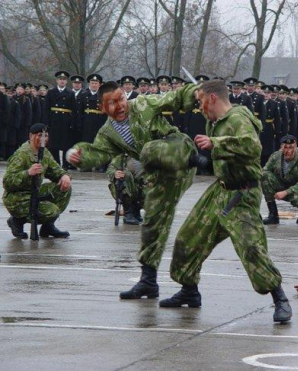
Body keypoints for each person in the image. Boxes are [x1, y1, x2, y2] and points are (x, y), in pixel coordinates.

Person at [161, 80, 292, 323]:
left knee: (251, 247)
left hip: (242, 193)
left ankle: (280, 298)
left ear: (212, 98)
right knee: (187, 238)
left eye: (200, 101)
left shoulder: (238, 117)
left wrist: (216, 144)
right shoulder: (214, 123)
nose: (198, 106)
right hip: (220, 190)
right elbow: (223, 159)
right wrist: (200, 161)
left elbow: (252, 147)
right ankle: (189, 290)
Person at [68, 81, 200, 299]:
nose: (120, 105)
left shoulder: (143, 104)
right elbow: (98, 153)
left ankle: (196, 159)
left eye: (121, 98)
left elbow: (173, 98)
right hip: (160, 174)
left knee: (148, 150)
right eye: (112, 103)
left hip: (180, 153)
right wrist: (79, 155)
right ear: (102, 108)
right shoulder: (108, 133)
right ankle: (150, 281)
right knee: (152, 223)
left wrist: (195, 91)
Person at [3, 123, 71, 239]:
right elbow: (7, 182)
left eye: (46, 136)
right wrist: (27, 173)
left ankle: (48, 227)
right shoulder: (21, 155)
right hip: (17, 197)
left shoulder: (44, 152)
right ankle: (17, 220)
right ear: (31, 136)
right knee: (52, 211)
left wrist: (64, 176)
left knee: (64, 187)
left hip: (34, 192)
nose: (43, 139)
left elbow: (55, 170)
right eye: (39, 136)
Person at [262, 134, 298, 225]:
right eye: (285, 147)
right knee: (265, 176)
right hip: (282, 184)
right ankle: (273, 215)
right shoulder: (276, 156)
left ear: (296, 146)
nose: (288, 151)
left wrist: (286, 192)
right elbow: (265, 170)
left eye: (291, 147)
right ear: (281, 147)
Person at [43, 71, 76, 169]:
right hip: (54, 120)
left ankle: (65, 164)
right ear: (57, 80)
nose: (62, 81)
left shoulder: (70, 93)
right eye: (60, 79)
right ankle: (56, 163)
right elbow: (46, 109)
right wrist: (46, 122)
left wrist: (72, 123)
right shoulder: (51, 92)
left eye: (64, 80)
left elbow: (74, 110)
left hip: (65, 120)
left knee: (66, 144)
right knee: (53, 144)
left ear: (66, 82)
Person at [106, 154, 145, 225]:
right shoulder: (123, 155)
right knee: (125, 175)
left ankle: (136, 211)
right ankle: (128, 213)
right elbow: (110, 169)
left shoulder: (150, 153)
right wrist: (115, 173)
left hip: (143, 187)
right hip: (128, 188)